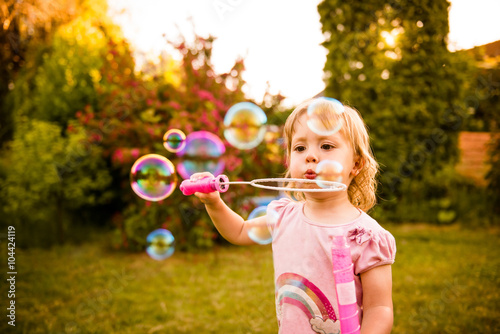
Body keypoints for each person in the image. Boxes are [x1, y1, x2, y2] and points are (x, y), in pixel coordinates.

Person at [190, 98, 396, 334]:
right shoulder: (284, 216)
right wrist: (214, 202)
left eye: (326, 146)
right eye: (300, 148)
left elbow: (379, 308)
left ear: (356, 164)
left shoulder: (366, 236)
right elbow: (238, 231)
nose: (310, 156)